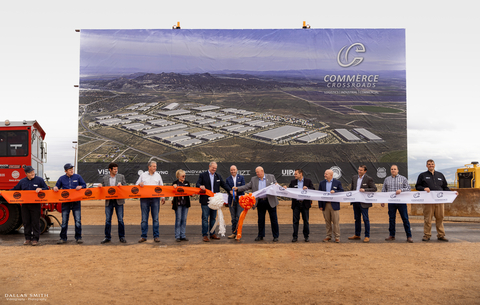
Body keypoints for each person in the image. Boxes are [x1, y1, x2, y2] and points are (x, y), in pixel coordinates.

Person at [0, 166, 49, 246]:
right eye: (30, 172)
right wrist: (4, 193)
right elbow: (15, 189)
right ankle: (28, 239)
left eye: (33, 172)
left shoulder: (39, 180)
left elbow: (46, 189)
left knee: (35, 222)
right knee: (26, 222)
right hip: (25, 205)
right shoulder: (22, 181)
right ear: (26, 174)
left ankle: (35, 239)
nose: (32, 173)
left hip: (35, 205)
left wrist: (41, 189)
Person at [415, 159, 457, 242]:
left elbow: (445, 187)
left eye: (432, 164)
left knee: (440, 218)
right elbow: (417, 186)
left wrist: (452, 193)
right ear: (426, 166)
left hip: (439, 200)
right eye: (429, 164)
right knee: (428, 218)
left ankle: (441, 235)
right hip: (428, 201)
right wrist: (424, 188)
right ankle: (427, 235)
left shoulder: (440, 175)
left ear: (434, 165)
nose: (431, 165)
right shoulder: (422, 175)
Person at [235, 166, 280, 242]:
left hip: (270, 201)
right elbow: (247, 186)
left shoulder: (271, 177)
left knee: (274, 220)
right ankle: (260, 235)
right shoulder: (254, 179)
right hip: (260, 202)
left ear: (262, 171)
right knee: (261, 220)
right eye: (256, 172)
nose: (257, 173)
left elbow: (276, 185)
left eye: (258, 172)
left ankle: (275, 236)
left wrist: (280, 187)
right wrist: (238, 188)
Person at [196, 162, 231, 242]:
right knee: (205, 218)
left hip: (215, 201)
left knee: (213, 218)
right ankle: (205, 235)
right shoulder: (202, 175)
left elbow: (223, 184)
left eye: (215, 168)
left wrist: (230, 190)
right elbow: (197, 183)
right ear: (209, 166)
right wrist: (200, 186)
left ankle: (212, 234)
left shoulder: (218, 176)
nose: (214, 169)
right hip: (205, 200)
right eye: (213, 168)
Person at [54, 163, 87, 244]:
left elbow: (84, 185)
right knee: (64, 221)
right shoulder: (61, 178)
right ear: (66, 171)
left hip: (76, 203)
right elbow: (57, 186)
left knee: (78, 221)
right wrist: (55, 187)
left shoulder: (78, 177)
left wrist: (81, 187)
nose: (72, 170)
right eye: (70, 169)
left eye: (72, 169)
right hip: (65, 203)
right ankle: (63, 238)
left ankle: (78, 237)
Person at [381, 165, 413, 243]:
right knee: (391, 219)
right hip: (391, 202)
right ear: (390, 170)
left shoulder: (403, 178)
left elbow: (409, 189)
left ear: (398, 170)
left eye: (395, 169)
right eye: (392, 169)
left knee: (405, 218)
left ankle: (409, 236)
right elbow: (383, 190)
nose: (393, 170)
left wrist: (401, 190)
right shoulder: (387, 179)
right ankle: (392, 235)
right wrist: (382, 200)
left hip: (401, 202)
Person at [136, 160, 165, 243]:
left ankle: (156, 236)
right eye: (153, 166)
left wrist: (163, 197)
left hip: (155, 199)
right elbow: (136, 184)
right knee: (144, 219)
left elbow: (161, 186)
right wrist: (139, 184)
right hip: (144, 199)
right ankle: (143, 236)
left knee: (155, 219)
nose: (155, 168)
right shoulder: (143, 175)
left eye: (155, 166)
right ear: (149, 167)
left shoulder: (158, 175)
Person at [98, 162, 127, 244]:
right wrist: (100, 186)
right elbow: (103, 188)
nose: (116, 170)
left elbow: (126, 186)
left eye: (116, 169)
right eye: (114, 169)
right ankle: (107, 237)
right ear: (110, 170)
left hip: (119, 201)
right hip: (109, 202)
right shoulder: (105, 178)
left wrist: (121, 185)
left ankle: (122, 237)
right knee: (107, 220)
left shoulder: (121, 177)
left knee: (120, 220)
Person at [348, 165, 377, 243]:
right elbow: (352, 189)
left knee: (365, 219)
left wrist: (365, 190)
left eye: (361, 170)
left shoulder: (369, 179)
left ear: (365, 171)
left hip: (364, 202)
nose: (359, 171)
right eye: (359, 169)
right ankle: (357, 234)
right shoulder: (354, 178)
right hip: (355, 201)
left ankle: (367, 236)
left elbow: (374, 188)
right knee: (357, 218)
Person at [285, 169, 315, 242]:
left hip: (305, 204)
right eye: (294, 174)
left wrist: (307, 188)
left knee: (306, 221)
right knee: (295, 221)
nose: (294, 175)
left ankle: (306, 236)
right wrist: (285, 189)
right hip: (296, 204)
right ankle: (295, 237)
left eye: (296, 174)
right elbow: (289, 191)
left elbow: (313, 189)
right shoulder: (293, 182)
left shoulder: (308, 181)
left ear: (300, 174)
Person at [318, 169, 344, 243]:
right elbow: (319, 195)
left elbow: (342, 191)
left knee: (336, 222)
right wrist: (320, 205)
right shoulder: (322, 183)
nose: (324, 175)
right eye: (325, 174)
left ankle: (337, 237)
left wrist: (335, 191)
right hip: (325, 205)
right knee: (327, 222)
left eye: (326, 174)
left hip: (334, 205)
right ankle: (328, 236)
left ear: (331, 175)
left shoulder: (337, 182)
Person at [225, 165, 245, 239]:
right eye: (231, 170)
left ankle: (238, 233)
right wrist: (230, 192)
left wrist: (237, 191)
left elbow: (243, 187)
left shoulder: (241, 177)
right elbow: (227, 188)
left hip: (240, 200)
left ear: (237, 170)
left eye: (234, 170)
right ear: (230, 171)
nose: (233, 171)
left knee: (238, 217)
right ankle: (233, 232)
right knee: (233, 218)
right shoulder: (228, 179)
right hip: (231, 201)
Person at [172, 169, 191, 242]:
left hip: (185, 204)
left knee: (184, 219)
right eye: (183, 175)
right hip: (178, 204)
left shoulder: (187, 183)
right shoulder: (175, 183)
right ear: (178, 176)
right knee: (178, 219)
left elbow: (190, 191)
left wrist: (193, 194)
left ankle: (183, 235)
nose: (184, 177)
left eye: (185, 175)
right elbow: (172, 191)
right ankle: (177, 236)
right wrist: (174, 186)